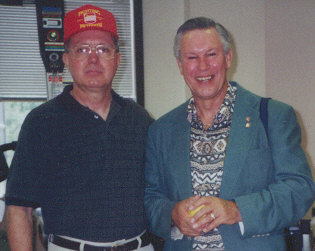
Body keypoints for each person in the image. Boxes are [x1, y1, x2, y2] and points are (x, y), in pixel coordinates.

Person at [144, 17, 315, 250]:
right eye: (192, 57)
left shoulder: (273, 116)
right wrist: (172, 214)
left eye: (211, 54)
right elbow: (151, 199)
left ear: (228, 58)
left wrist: (237, 210)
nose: (202, 66)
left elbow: (299, 188)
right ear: (180, 65)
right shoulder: (161, 130)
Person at [5, 4, 154, 251]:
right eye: (82, 49)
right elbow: (19, 207)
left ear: (117, 59)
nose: (93, 58)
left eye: (103, 49)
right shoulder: (41, 122)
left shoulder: (140, 120)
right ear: (66, 59)